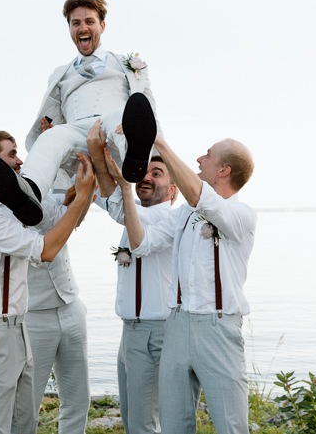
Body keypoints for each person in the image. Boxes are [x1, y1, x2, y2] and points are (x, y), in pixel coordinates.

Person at [101, 133, 256, 434]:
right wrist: (123, 186)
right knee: (174, 425)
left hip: (217, 329)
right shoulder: (184, 214)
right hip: (176, 325)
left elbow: (204, 201)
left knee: (231, 426)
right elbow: (141, 243)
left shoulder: (242, 215)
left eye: (208, 155)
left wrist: (159, 141)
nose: (200, 159)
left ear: (224, 170)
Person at [0, 0, 158, 227]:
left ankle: (134, 161)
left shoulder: (126, 63)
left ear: (102, 26)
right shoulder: (60, 74)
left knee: (122, 120)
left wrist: (158, 156)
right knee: (51, 138)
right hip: (76, 131)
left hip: (115, 126)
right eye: (76, 23)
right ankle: (28, 193)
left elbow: (147, 110)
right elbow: (55, 113)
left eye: (89, 21)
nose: (83, 27)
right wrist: (53, 127)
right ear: (70, 29)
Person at [0, 130, 95, 434]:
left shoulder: (12, 204)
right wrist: (81, 197)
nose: (20, 161)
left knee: (24, 426)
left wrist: (77, 192)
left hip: (18, 326)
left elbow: (58, 218)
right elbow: (46, 250)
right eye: (12, 154)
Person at [87, 122, 177, 434]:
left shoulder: (167, 217)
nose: (146, 178)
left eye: (157, 174)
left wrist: (102, 159)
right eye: (144, 172)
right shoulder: (133, 213)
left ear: (174, 189)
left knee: (143, 423)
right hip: (130, 330)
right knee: (132, 418)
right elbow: (102, 195)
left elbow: (116, 204)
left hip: (156, 332)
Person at [25, 199, 90, 433]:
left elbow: (75, 215)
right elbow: (43, 250)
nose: (19, 161)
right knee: (26, 405)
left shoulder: (49, 194)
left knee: (78, 399)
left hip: (71, 306)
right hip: (33, 315)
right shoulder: (2, 203)